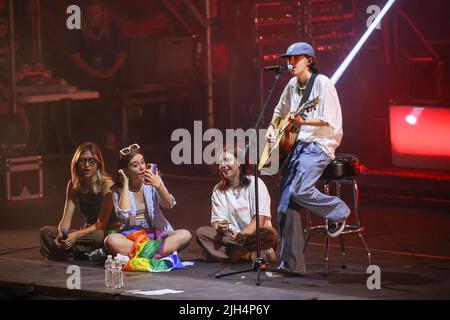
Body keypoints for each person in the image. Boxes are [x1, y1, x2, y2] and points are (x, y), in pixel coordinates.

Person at [265, 42, 350, 275]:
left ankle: (338, 210)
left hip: (319, 145)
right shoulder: (292, 85)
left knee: (299, 190)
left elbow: (330, 120)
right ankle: (292, 265)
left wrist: (304, 122)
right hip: (298, 147)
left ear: (309, 60)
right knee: (284, 207)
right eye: (288, 59)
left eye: (295, 59)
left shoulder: (323, 83)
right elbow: (278, 112)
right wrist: (273, 128)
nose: (290, 63)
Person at [104, 143, 191, 261]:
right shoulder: (117, 190)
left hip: (155, 234)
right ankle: (159, 253)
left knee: (185, 235)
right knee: (110, 241)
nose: (142, 168)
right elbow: (124, 214)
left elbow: (168, 204)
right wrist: (124, 184)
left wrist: (159, 186)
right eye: (135, 165)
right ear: (126, 171)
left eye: (142, 162)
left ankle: (141, 255)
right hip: (132, 236)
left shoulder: (153, 181)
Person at [196, 146, 279, 263]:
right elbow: (216, 222)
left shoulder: (255, 183)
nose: (222, 165)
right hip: (230, 238)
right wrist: (219, 226)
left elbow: (259, 220)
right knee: (202, 233)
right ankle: (250, 255)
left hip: (252, 236)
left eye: (226, 160)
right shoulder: (218, 189)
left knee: (271, 234)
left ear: (239, 162)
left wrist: (242, 235)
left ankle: (227, 254)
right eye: (220, 163)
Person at [39, 142, 117, 261]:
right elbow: (66, 218)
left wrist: (76, 235)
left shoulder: (107, 184)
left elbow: (101, 224)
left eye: (92, 161)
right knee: (45, 233)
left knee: (98, 237)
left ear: (98, 164)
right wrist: (61, 234)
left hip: (102, 232)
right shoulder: (74, 184)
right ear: (76, 163)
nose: (87, 165)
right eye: (82, 161)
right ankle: (74, 251)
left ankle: (66, 252)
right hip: (85, 233)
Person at [69, 0, 127, 150]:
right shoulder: (78, 30)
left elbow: (122, 54)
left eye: (97, 13)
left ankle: (109, 133)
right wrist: (93, 72)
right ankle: (93, 136)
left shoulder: (112, 29)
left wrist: (112, 69)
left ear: (102, 14)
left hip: (108, 73)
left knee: (107, 90)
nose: (94, 16)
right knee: (94, 95)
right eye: (91, 14)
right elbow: (75, 57)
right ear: (86, 15)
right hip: (87, 75)